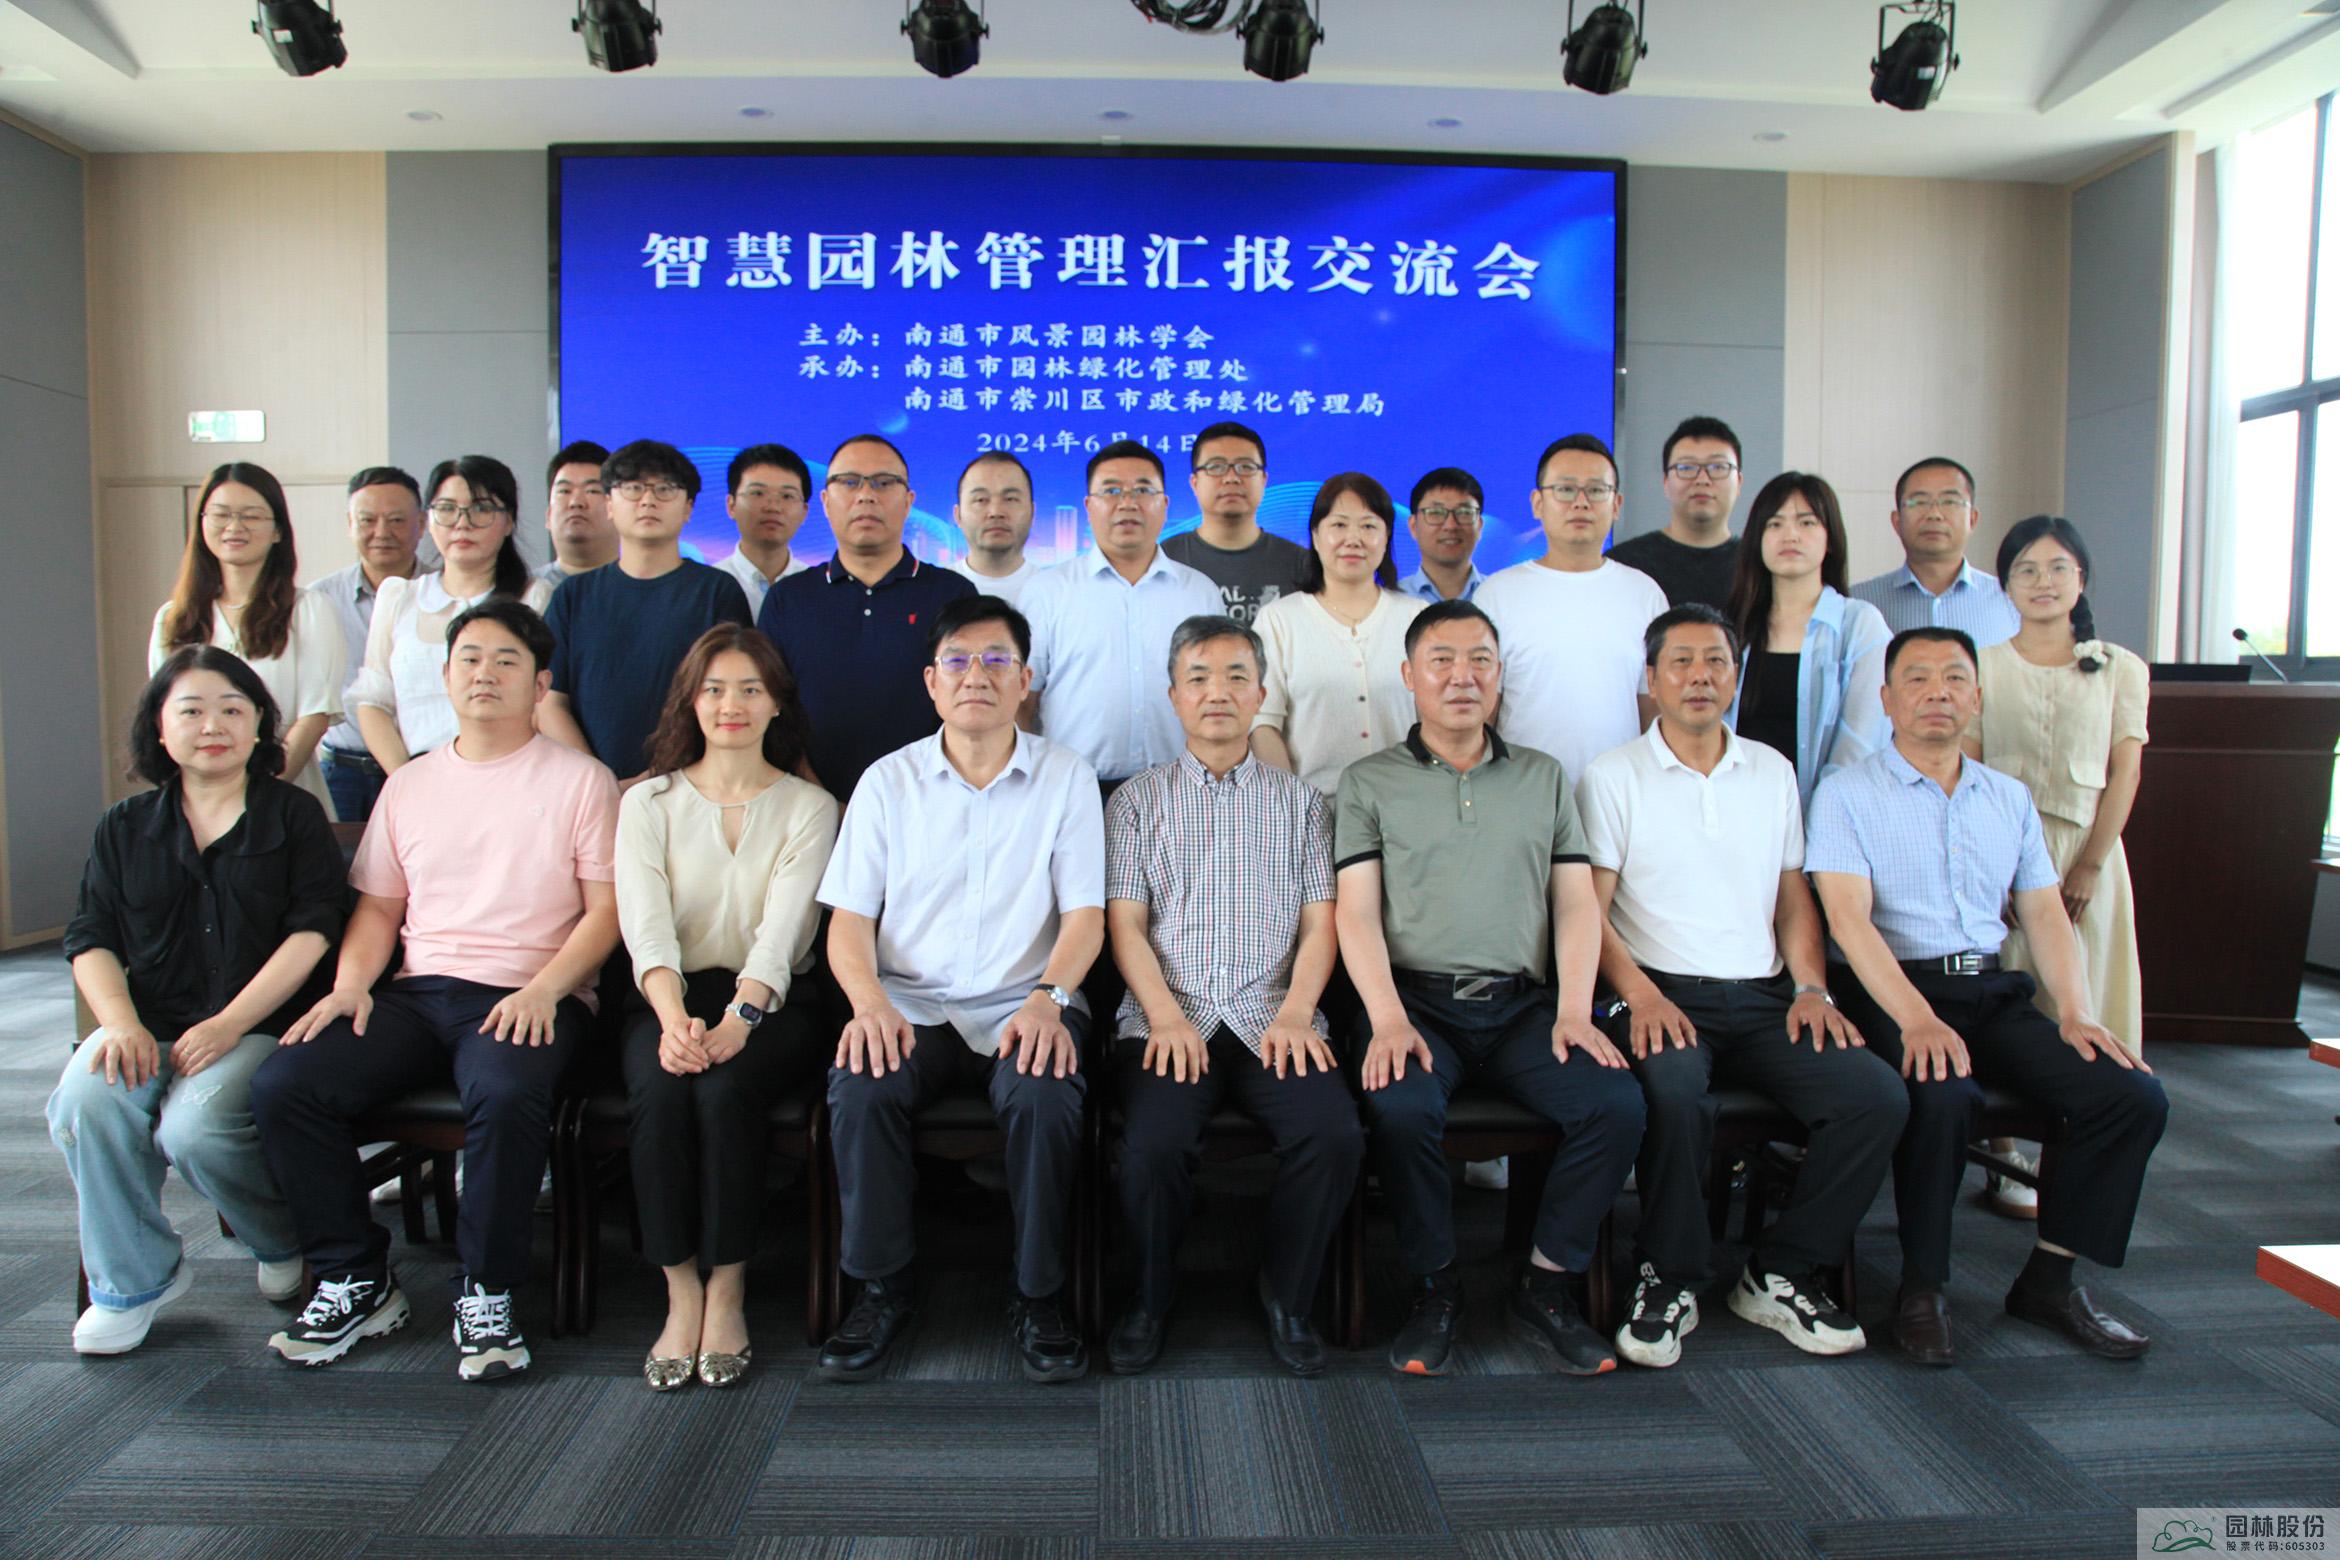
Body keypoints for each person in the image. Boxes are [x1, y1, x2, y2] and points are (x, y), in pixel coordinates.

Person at [251, 600, 621, 1380]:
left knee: (505, 1090)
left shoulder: (583, 781)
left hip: (532, 993)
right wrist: (351, 986)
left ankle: (487, 1289)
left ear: (540, 685)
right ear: (446, 677)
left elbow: (607, 913)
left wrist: (546, 989)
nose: (485, 674)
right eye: (469, 660)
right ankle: (355, 1275)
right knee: (287, 1082)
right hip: (418, 994)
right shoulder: (411, 783)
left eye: (507, 661)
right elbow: (379, 909)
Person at [1807, 627, 2167, 1367]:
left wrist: (2076, 1012)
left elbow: (2043, 913)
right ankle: (1922, 1288)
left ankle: (2050, 1279)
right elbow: (1847, 921)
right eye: (1917, 679)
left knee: (2130, 1094)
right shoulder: (1845, 794)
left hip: (1991, 989)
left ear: (1976, 698)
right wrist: (1916, 1018)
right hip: (1893, 990)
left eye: (1953, 679)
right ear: (1887, 699)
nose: (1936, 692)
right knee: (1943, 1095)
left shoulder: (2007, 798)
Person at [1579, 605, 1906, 1368]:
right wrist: (1641, 994)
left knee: (1875, 1096)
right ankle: (1669, 1277)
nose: (1700, 677)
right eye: (1681, 662)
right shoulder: (1612, 774)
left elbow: (1793, 899)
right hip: (1659, 991)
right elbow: (1589, 912)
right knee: (1672, 1089)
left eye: (1716, 662)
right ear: (1651, 678)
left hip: (1764, 998)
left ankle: (1781, 1269)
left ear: (1737, 675)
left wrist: (1812, 988)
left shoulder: (1772, 770)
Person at [1335, 600, 1645, 1379]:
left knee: (1615, 1103)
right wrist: (1386, 1019)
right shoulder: (1368, 781)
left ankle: (1547, 1283)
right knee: (1401, 1107)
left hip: (1522, 1008)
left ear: (1500, 676)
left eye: (1479, 660)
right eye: (1440, 660)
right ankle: (1434, 1288)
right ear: (1408, 676)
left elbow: (1576, 904)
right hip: (1416, 1005)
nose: (1461, 676)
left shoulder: (1542, 776)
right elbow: (1357, 913)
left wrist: (1574, 1009)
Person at [816, 596, 1105, 1385]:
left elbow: (1085, 918)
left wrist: (1049, 999)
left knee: (1044, 1093)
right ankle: (882, 1286)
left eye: (997, 660)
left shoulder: (1066, 777)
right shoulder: (888, 782)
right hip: (909, 1002)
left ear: (1026, 681)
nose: (977, 675)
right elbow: (849, 922)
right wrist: (869, 1004)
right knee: (861, 1085)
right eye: (958, 661)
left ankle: (1039, 1293)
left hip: (1027, 997)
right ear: (932, 682)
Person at [49, 649, 343, 1355]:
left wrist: (229, 1023)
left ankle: (279, 1239)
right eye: (192, 710)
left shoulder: (293, 815)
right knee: (85, 1101)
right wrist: (120, 1024)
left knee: (196, 1127)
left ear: (259, 725)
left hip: (263, 1023)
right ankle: (133, 1281)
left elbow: (313, 932)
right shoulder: (124, 827)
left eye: (232, 710)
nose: (213, 725)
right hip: (148, 1020)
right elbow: (90, 936)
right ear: (160, 727)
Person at [1104, 615, 1363, 1377]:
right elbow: (1125, 926)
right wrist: (1163, 1016)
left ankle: (1286, 1294)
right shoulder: (1136, 801)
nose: (1217, 692)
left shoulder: (1303, 804)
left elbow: (1321, 924)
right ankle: (1151, 1297)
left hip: (1271, 1015)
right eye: (1198, 678)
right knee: (1151, 1147)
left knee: (1334, 1135)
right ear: (1174, 696)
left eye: (1235, 677)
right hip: (1167, 1017)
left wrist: (1297, 1011)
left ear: (1259, 694)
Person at [616, 624, 838, 1391]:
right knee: (659, 1088)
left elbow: (786, 931)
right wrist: (672, 1019)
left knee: (724, 1090)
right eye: (713, 689)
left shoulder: (810, 806)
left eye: (749, 688)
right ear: (691, 700)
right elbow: (645, 924)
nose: (730, 704)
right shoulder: (647, 801)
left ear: (777, 703)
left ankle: (729, 1286)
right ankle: (681, 1291)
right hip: (666, 995)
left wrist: (742, 1018)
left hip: (774, 1003)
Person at [1969, 518, 2151, 1217]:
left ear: (2082, 579)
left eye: (2057, 568)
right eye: (2026, 570)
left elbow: (2124, 773)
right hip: (2002, 861)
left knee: (2087, 999)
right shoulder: (1982, 664)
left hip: (2086, 856)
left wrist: (2090, 867)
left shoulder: (2119, 667)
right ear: (2005, 584)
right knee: (2015, 1002)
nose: (2042, 582)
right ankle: (2006, 1155)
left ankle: (2072, 1152)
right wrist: (1992, 871)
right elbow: (1970, 771)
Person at [758, 434, 977, 801]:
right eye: (849, 482)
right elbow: (769, 709)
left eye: (883, 482)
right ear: (825, 502)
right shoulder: (788, 598)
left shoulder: (952, 594)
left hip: (929, 805)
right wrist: (821, 802)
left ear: (908, 502)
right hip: (808, 808)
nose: (866, 495)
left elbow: (968, 709)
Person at [540, 440, 753, 785]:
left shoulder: (716, 591)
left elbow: (728, 697)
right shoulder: (573, 596)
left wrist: (655, 778)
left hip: (691, 785)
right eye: (633, 488)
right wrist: (598, 780)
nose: (648, 500)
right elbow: (550, 702)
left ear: (688, 508)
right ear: (609, 504)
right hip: (586, 787)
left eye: (665, 489)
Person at [1020, 440, 1223, 786]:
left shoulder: (1199, 592)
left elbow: (1220, 694)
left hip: (1181, 789)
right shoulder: (1047, 592)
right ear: (1089, 505)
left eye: (1143, 490)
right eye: (1111, 491)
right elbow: (1022, 701)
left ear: (1165, 504)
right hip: (1073, 789)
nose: (1127, 503)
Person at [150, 463, 346, 820]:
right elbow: (167, 717)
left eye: (251, 516)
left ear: (278, 530)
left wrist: (256, 798)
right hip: (197, 803)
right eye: (221, 514)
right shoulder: (173, 618)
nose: (234, 527)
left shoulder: (308, 609)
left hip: (284, 796)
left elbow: (313, 717)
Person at [1475, 434, 1669, 789]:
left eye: (1596, 490)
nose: (1581, 502)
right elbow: (1483, 712)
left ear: (1616, 504)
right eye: (1565, 490)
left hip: (1619, 794)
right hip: (1522, 791)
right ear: (1537, 503)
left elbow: (1652, 711)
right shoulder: (1496, 595)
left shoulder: (1644, 593)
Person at [349, 455, 555, 775]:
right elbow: (373, 702)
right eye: (446, 509)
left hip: (507, 774)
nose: (462, 522)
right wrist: (406, 778)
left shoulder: (535, 597)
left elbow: (544, 705)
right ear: (428, 520)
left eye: (481, 508)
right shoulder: (399, 596)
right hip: (415, 775)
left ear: (509, 521)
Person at [1721, 471, 1893, 811]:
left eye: (1806, 522)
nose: (1790, 535)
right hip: (1737, 814)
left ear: (1831, 539)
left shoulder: (1859, 624)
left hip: (1831, 817)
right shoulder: (1731, 626)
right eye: (1775, 524)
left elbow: (1861, 739)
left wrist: (1819, 819)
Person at [1252, 473, 1426, 796]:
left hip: (1405, 807)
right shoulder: (1279, 620)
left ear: (1387, 537)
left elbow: (1436, 722)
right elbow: (1263, 724)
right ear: (1316, 536)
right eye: (1339, 525)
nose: (1353, 539)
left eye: (1369, 526)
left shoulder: (1416, 617)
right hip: (1313, 808)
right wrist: (1292, 804)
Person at [312, 467, 424, 823]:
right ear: (350, 524)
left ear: (422, 523)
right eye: (368, 520)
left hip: (424, 769)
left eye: (396, 520)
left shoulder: (441, 593)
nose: (382, 532)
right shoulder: (319, 600)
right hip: (344, 774)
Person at [1848, 457, 2020, 646]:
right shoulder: (1857, 602)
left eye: (1949, 501)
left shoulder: (2011, 601)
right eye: (1919, 502)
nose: (1934, 514)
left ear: (1972, 519)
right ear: (1897, 522)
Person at [1163, 421, 1311, 623]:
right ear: (1194, 483)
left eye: (1245, 467)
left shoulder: (1301, 564)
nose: (1231, 478)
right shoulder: (1164, 560)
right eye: (1216, 467)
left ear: (1264, 480)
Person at [1608, 416, 1744, 611]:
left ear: (1738, 482)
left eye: (1718, 467)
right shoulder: (1624, 564)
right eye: (1686, 468)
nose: (1702, 480)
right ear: (1666, 482)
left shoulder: (1759, 565)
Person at [718, 443, 815, 617]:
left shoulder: (817, 589)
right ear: (731, 505)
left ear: (804, 512)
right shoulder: (709, 588)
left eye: (787, 496)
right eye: (757, 493)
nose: (773, 507)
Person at [951, 450, 1043, 604]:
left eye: (1010, 499)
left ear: (1032, 512)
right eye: (981, 500)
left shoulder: (1058, 591)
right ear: (958, 514)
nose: (995, 512)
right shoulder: (935, 592)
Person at [1397, 467, 1488, 604]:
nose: (1450, 526)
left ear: (1480, 525)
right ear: (1413, 526)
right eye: (1436, 513)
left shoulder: (1500, 595)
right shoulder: (1392, 599)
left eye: (1464, 512)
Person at [536, 440, 615, 586]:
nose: (576, 502)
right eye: (564, 491)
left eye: (592, 491)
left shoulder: (647, 591)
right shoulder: (522, 591)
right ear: (548, 515)